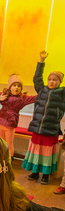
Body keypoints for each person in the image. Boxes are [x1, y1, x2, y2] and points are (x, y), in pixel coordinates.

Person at [22, 51, 65, 185]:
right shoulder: (41, 89)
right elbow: (37, 78)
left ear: (60, 82)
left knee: (47, 153)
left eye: (55, 80)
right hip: (37, 127)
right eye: (50, 79)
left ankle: (45, 175)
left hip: (51, 129)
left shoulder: (62, 93)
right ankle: (35, 172)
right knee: (35, 151)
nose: (52, 82)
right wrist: (41, 61)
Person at [0, 74, 37, 160]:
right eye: (14, 85)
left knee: (9, 144)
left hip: (10, 125)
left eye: (19, 86)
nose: (16, 88)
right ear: (10, 87)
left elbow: (35, 98)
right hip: (0, 122)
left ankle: (9, 160)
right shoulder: (4, 95)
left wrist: (46, 94)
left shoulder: (23, 98)